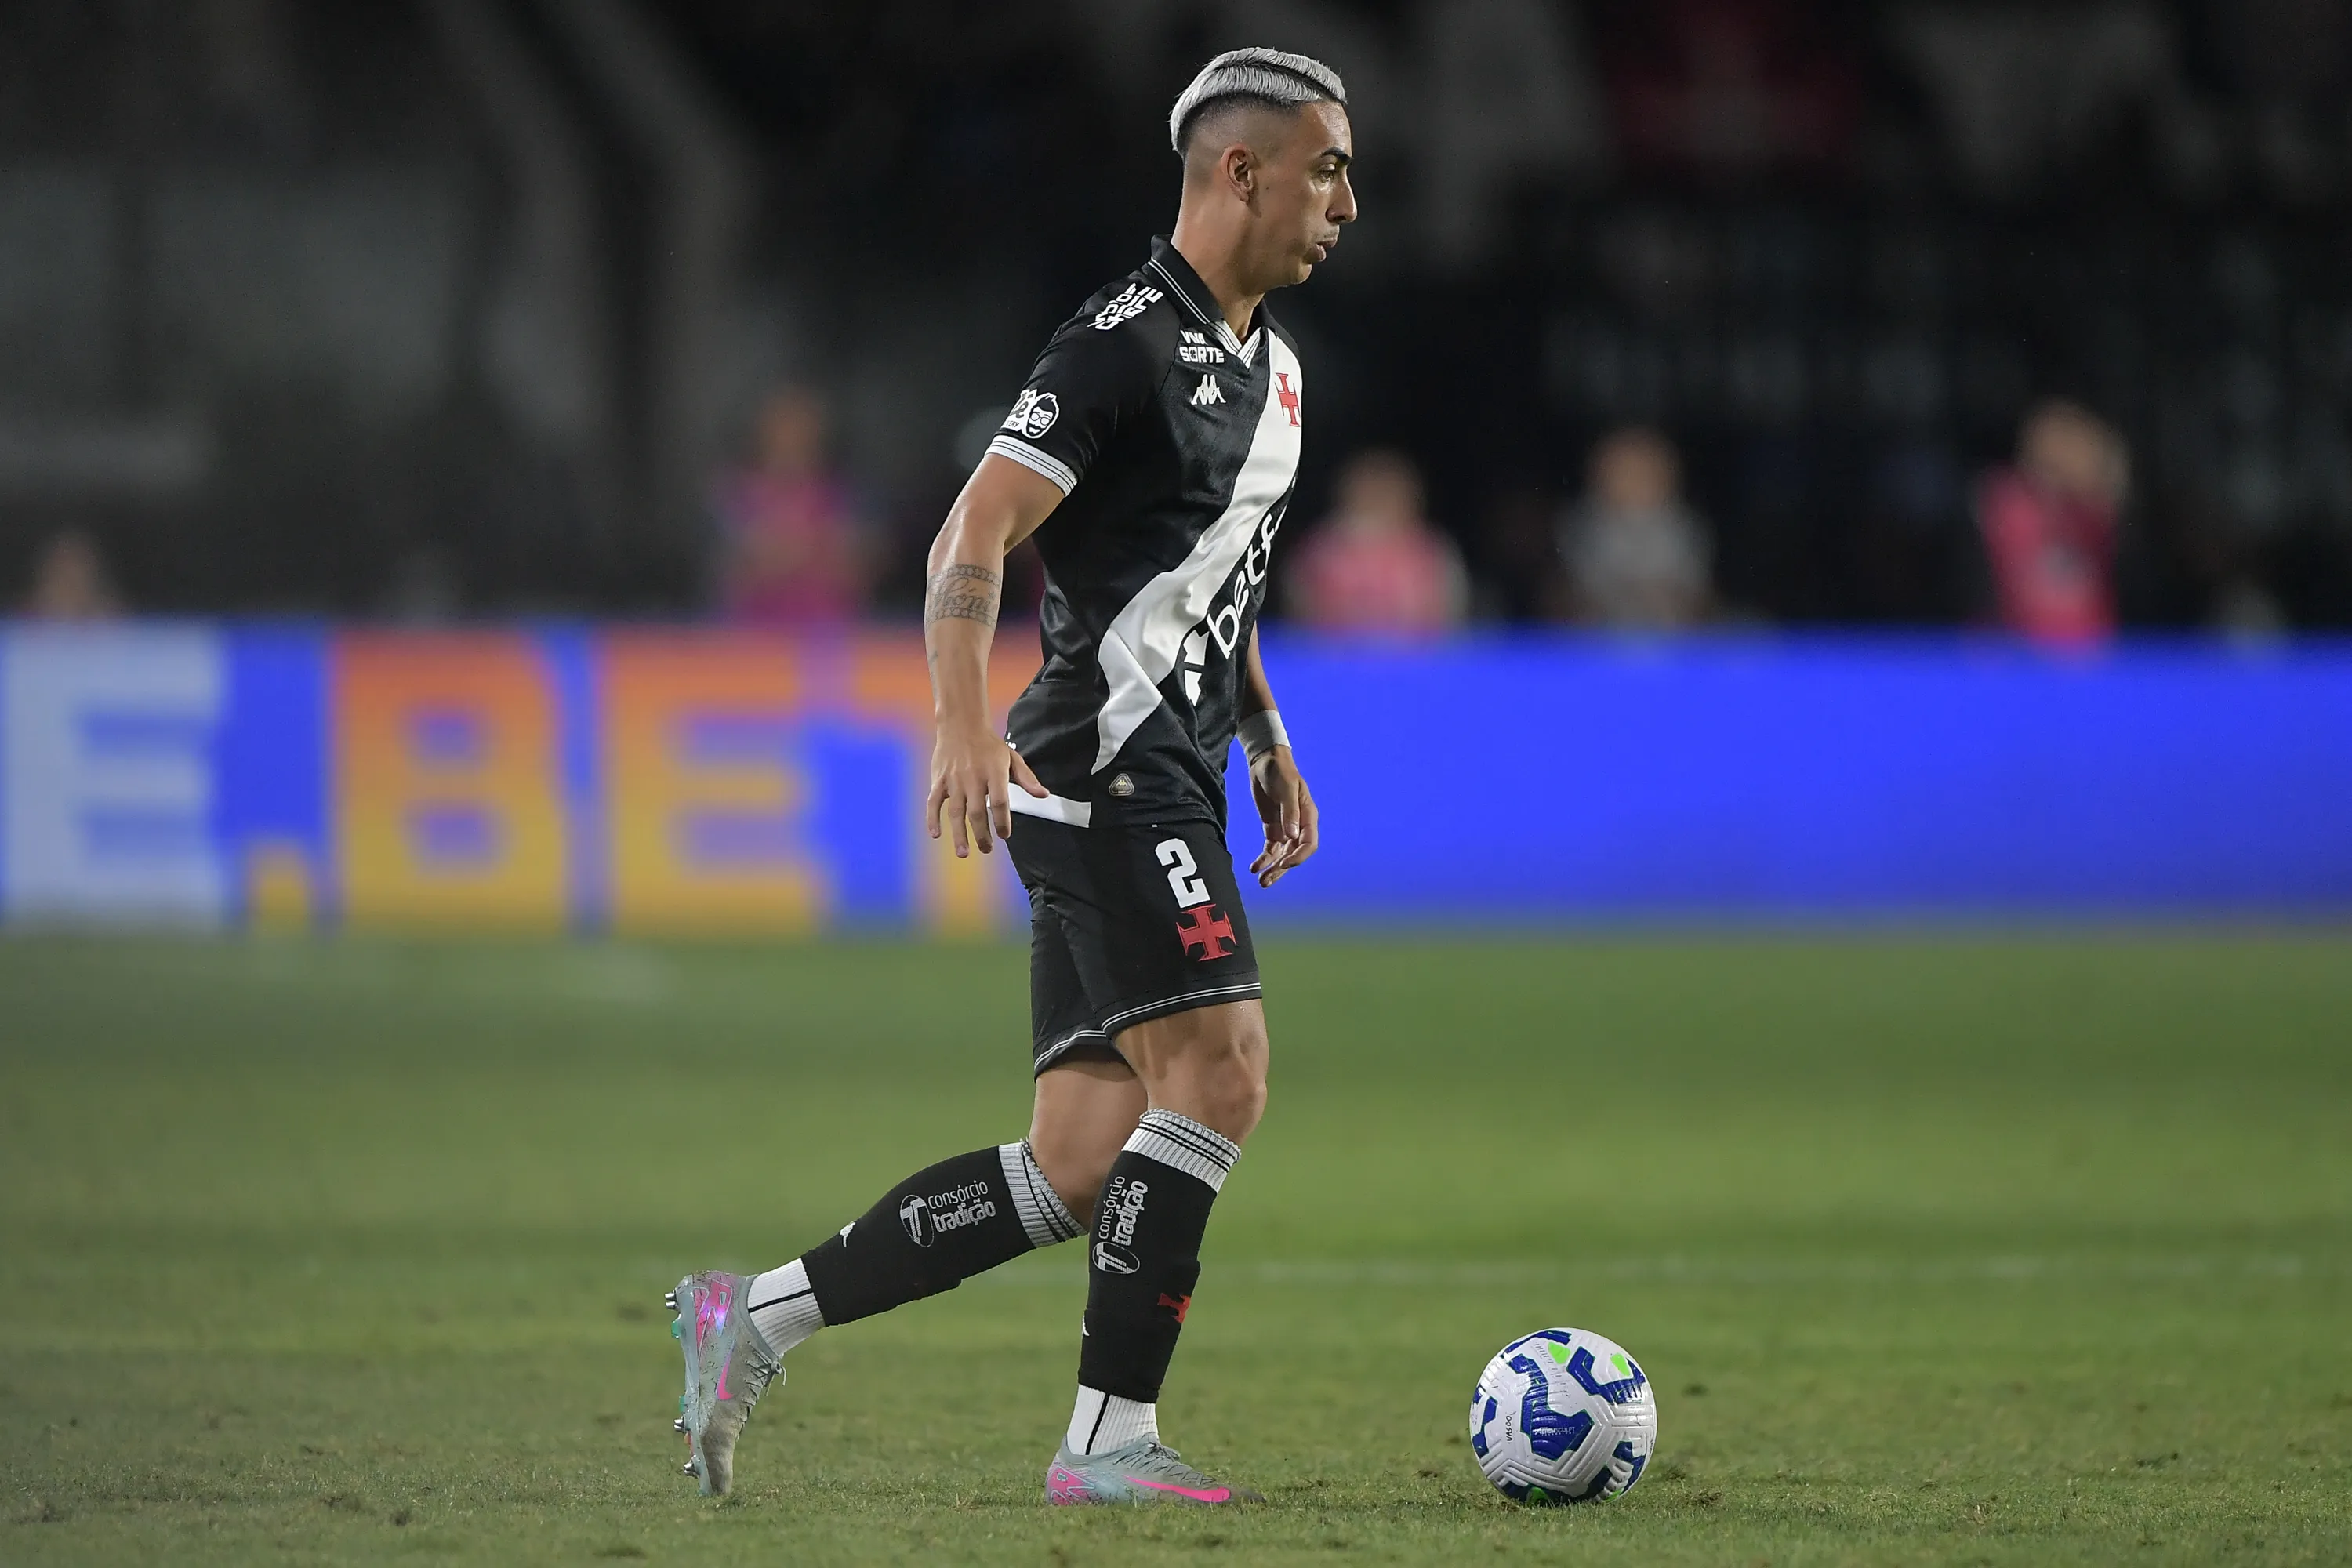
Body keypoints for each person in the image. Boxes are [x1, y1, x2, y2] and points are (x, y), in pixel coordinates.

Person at [668, 48, 1352, 1507]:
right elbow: (970, 534)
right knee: (1222, 1078)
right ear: (1243, 171)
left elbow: (1209, 586)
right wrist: (959, 722)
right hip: (1106, 772)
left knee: (1082, 1160)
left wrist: (1272, 736)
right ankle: (1107, 1447)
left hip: (1167, 768)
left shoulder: (1278, 372)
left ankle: (753, 1321)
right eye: (1328, 167)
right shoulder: (1111, 346)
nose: (1347, 200)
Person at [713, 387, 870, 626]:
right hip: (752, 640)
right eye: (783, 424)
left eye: (800, 425)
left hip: (828, 637)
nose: (791, 435)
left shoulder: (839, 495)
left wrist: (780, 551)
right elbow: (731, 570)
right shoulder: (735, 494)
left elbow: (854, 566)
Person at [1974, 399, 2127, 646]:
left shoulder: (2091, 511)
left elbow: (2115, 485)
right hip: (2019, 653)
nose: (2067, 455)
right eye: (2059, 444)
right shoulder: (2008, 503)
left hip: (2089, 653)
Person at [1285, 449, 1467, 633]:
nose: (1377, 498)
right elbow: (1301, 620)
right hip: (1332, 659)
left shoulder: (1434, 552)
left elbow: (1447, 623)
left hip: (1414, 659)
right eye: (1369, 489)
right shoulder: (1318, 552)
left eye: (1387, 491)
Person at [1557, 426, 1715, 630]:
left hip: (1671, 636)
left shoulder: (1686, 531)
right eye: (1623, 473)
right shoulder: (1580, 529)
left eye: (1642, 473)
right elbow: (1573, 592)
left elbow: (1695, 596)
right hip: (1597, 637)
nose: (1633, 483)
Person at [20, 530, 125, 620]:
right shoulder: (21, 619)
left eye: (78, 563)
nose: (70, 573)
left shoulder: (116, 618)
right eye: (63, 567)